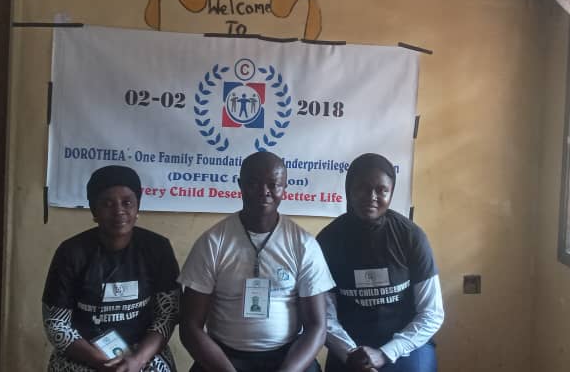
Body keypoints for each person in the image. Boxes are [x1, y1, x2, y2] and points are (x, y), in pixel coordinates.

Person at [179, 151, 335, 372]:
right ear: (240, 185)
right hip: (223, 359)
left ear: (284, 188)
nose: (264, 192)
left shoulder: (303, 244)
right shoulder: (213, 242)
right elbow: (189, 327)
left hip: (288, 358)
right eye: (253, 183)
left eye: (273, 185)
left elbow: (317, 327)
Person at [42, 165, 181, 372]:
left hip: (142, 352)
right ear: (94, 211)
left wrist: (138, 360)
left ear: (137, 207)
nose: (119, 211)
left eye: (127, 202)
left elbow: (167, 315)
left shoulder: (157, 248)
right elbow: (56, 323)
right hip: (84, 351)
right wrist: (100, 362)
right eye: (107, 203)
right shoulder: (71, 252)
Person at [316, 154, 444, 372]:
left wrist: (385, 353)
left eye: (381, 190)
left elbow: (432, 313)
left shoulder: (411, 236)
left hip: (407, 345)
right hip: (349, 346)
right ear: (349, 189)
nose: (371, 197)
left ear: (391, 192)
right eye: (362, 188)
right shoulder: (328, 241)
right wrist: (352, 354)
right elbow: (324, 316)